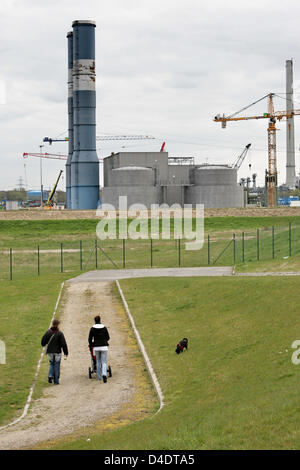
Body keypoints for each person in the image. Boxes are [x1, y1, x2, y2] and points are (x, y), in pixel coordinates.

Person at [41, 319, 68, 385]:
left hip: (50, 352)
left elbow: (43, 343)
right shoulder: (60, 333)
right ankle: (56, 381)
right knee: (56, 365)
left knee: (51, 363)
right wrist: (66, 353)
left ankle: (50, 375)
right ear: (58, 325)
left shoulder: (48, 332)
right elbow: (63, 344)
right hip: (57, 352)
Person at [88, 315, 110, 383]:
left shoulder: (92, 328)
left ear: (95, 321)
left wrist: (91, 344)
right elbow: (108, 338)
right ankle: (104, 374)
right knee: (104, 361)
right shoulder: (104, 328)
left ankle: (99, 376)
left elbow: (89, 339)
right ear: (100, 320)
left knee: (97, 361)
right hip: (104, 346)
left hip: (96, 347)